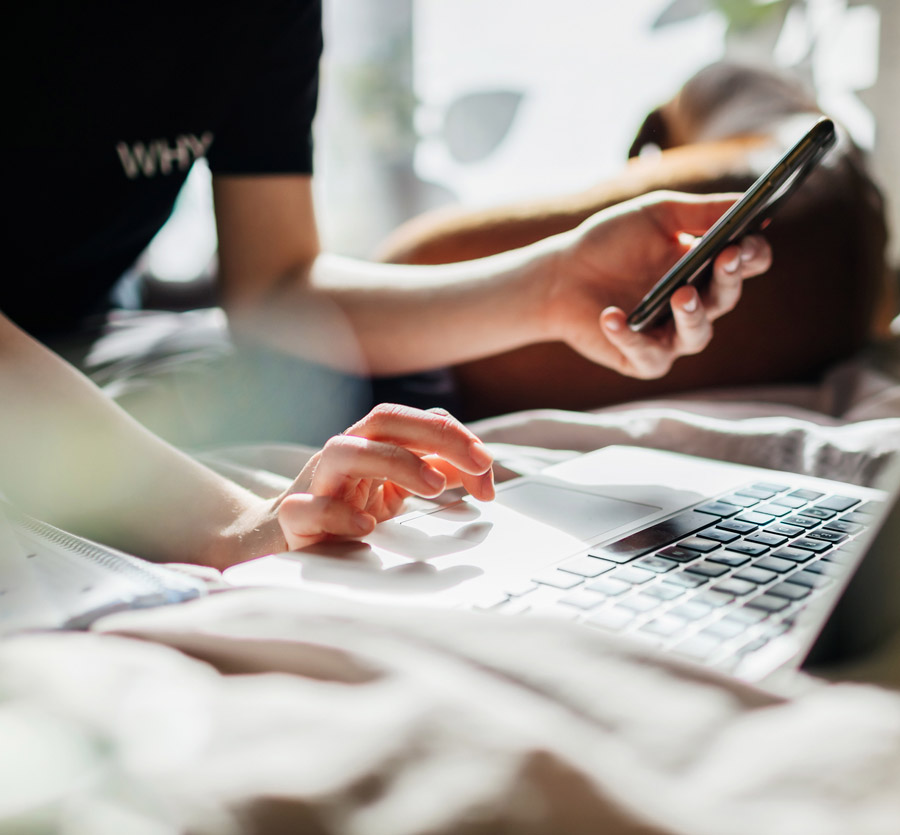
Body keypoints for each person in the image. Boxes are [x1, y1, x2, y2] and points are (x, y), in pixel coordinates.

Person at [1, 1, 769, 563]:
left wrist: (552, 282)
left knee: (388, 384)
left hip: (80, 333)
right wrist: (236, 526)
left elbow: (274, 287)